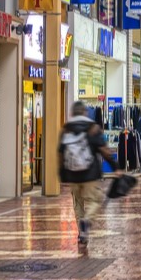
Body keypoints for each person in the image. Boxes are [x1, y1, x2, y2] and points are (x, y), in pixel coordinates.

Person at [60, 100, 113, 254]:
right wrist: (115, 166)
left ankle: (81, 234)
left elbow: (59, 152)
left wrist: (62, 173)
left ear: (72, 113)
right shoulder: (93, 128)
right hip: (90, 174)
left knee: (78, 204)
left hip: (73, 174)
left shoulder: (66, 129)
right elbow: (104, 150)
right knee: (95, 201)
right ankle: (86, 221)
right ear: (84, 112)